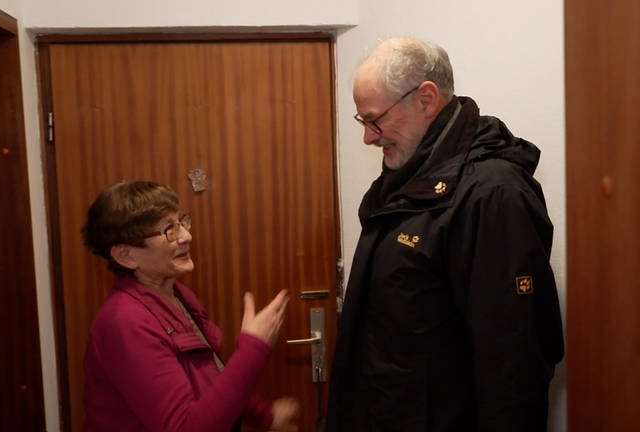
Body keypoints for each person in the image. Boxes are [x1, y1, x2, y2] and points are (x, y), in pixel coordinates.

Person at [326, 37, 565, 431]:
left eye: (374, 119)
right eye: (362, 121)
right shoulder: (406, 180)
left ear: (425, 99)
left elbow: (513, 367)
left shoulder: (493, 195)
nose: (369, 137)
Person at [81, 180, 299, 432]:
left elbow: (210, 380)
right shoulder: (125, 323)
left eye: (181, 222)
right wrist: (253, 348)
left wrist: (264, 417)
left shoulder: (177, 295)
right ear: (126, 255)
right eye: (169, 230)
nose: (187, 236)